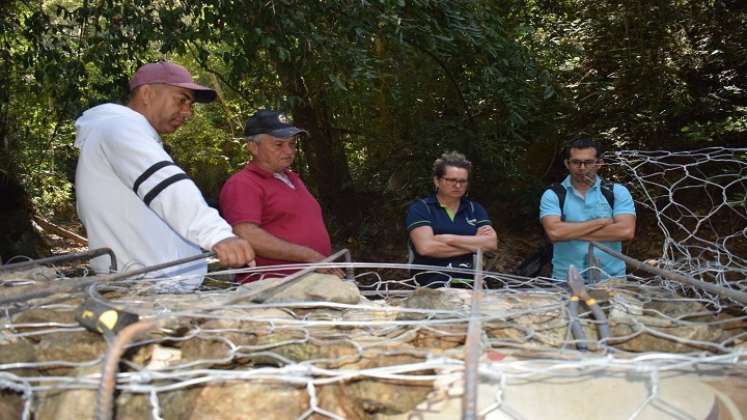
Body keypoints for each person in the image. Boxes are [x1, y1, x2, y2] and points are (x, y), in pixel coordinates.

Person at [75, 61, 255, 292]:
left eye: (190, 105)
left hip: (144, 286)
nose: (188, 112)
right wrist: (218, 235)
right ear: (147, 93)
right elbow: (167, 186)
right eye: (181, 99)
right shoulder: (120, 129)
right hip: (145, 292)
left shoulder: (114, 133)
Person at [219, 110, 343, 282]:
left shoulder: (292, 178)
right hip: (273, 287)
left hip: (309, 282)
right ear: (253, 147)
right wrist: (308, 255)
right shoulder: (243, 183)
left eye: (292, 144)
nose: (288, 151)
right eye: (279, 145)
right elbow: (246, 234)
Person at [539, 138, 636, 281]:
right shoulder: (554, 194)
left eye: (588, 162)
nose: (582, 167)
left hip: (612, 279)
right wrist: (601, 222)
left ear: (599, 163)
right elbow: (554, 233)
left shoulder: (616, 192)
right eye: (576, 162)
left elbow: (625, 231)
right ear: (567, 163)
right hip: (566, 279)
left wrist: (569, 232)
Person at [405, 151, 498, 287]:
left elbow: (491, 243)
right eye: (451, 180)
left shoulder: (474, 209)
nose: (458, 185)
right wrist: (475, 245)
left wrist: (448, 239)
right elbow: (426, 248)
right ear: (437, 180)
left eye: (462, 181)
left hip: (470, 280)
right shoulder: (421, 208)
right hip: (431, 281)